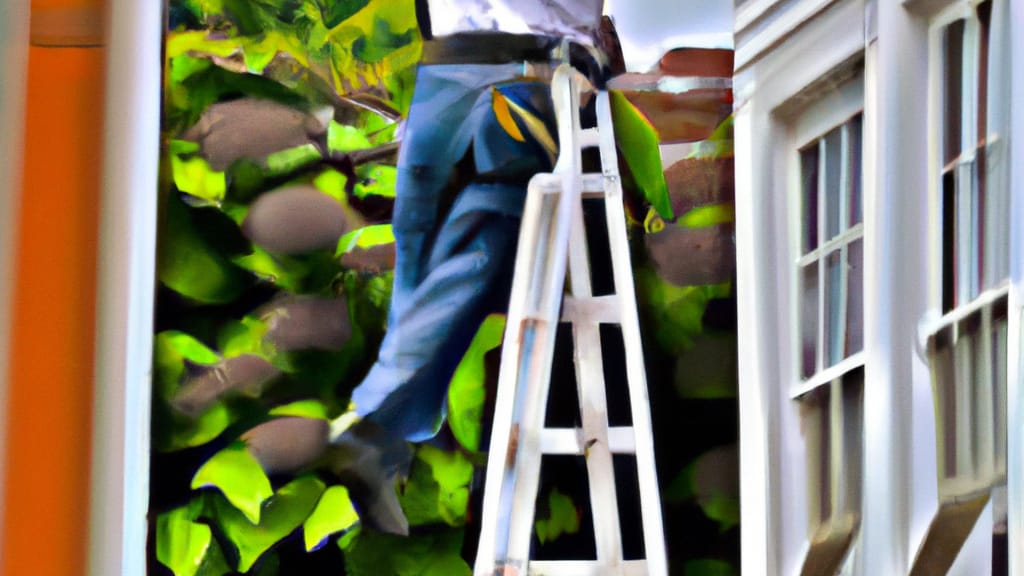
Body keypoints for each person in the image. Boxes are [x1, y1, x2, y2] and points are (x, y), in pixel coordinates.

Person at [324, 0, 616, 536]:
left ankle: (379, 425)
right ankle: (387, 434)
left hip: (538, 63)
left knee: (488, 221)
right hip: (449, 59)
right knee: (417, 234)